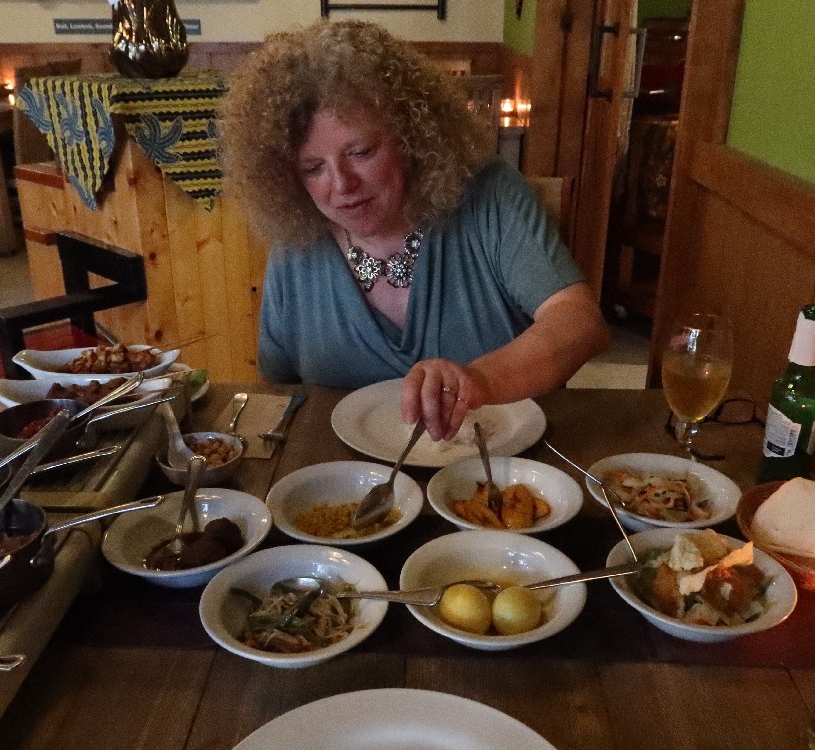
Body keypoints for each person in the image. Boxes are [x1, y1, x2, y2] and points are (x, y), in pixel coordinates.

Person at [218, 20, 610, 440]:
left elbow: (579, 323)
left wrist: (481, 379)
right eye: (313, 168)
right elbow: (278, 391)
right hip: (345, 476)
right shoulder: (295, 246)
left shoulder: (490, 196)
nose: (341, 185)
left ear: (411, 136)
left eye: (361, 152)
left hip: (496, 467)